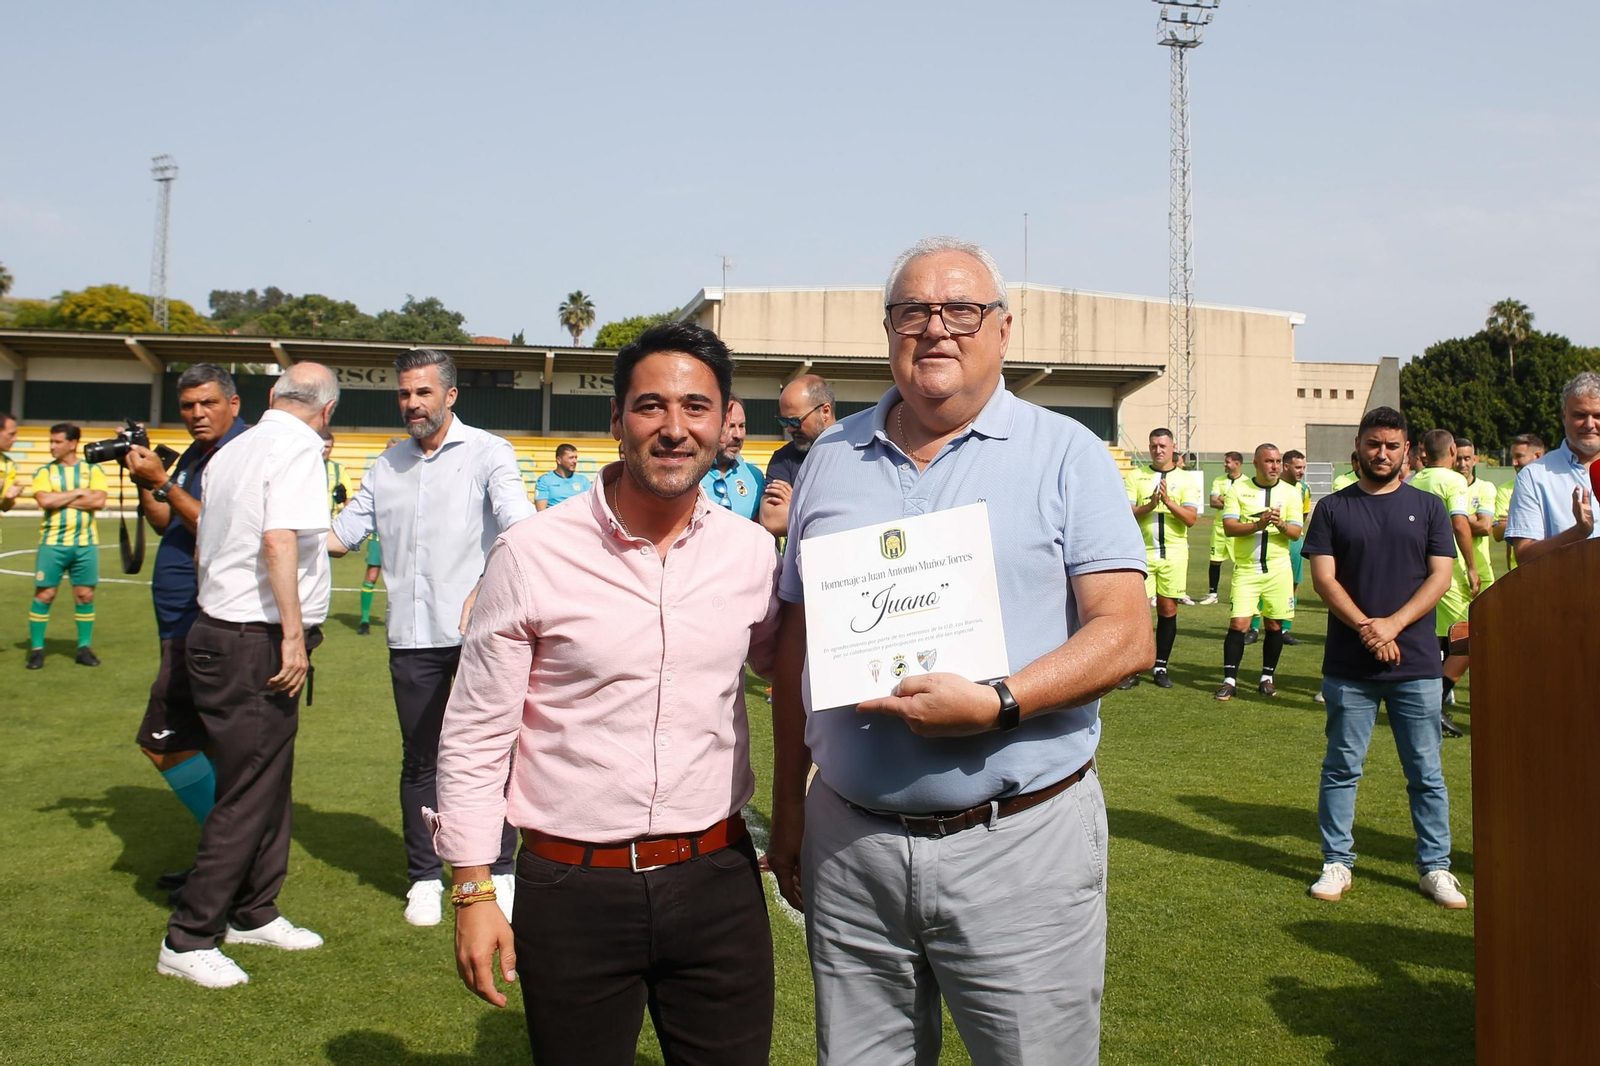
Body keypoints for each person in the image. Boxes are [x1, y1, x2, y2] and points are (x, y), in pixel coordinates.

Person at [767, 237, 1152, 1064]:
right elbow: (797, 643)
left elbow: (1125, 632)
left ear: (1002, 330)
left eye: (960, 311)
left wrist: (999, 700)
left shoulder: (1067, 454)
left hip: (1017, 842)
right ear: (888, 330)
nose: (936, 329)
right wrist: (791, 809)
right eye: (913, 312)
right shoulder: (829, 460)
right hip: (852, 845)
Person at [432, 322, 781, 1065]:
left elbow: (786, 666)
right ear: (616, 420)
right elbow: (475, 733)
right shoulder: (532, 554)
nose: (674, 429)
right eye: (651, 406)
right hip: (572, 888)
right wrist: (471, 889)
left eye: (697, 408)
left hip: (718, 878)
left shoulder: (751, 552)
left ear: (724, 426)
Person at [329, 349, 534, 928]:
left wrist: (489, 582)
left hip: (481, 634)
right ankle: (424, 877)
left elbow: (518, 524)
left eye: (423, 392)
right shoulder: (384, 465)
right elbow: (341, 538)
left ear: (450, 395)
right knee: (420, 760)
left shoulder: (490, 452)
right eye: (404, 393)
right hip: (411, 638)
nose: (412, 403)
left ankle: (500, 868)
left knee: (492, 753)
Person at [157, 362, 339, 989]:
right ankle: (188, 936)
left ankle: (255, 910)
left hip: (221, 630)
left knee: (265, 780)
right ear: (328, 410)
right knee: (244, 792)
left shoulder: (233, 451)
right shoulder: (297, 450)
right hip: (253, 639)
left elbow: (209, 536)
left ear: (270, 397)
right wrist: (292, 634)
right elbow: (278, 538)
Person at [1302, 405, 1467, 910]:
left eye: (1392, 445)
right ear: (1359, 445)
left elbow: (1440, 576)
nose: (1382, 453)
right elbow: (1324, 579)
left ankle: (1436, 868)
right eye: (1374, 444)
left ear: (1407, 451)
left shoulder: (1430, 507)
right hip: (1350, 667)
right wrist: (1368, 629)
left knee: (1426, 771)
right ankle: (1336, 861)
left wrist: (1391, 626)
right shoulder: (1332, 508)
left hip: (1416, 662)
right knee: (1341, 767)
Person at [120, 364, 245, 833]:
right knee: (207, 741)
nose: (197, 413)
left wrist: (165, 482)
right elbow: (164, 521)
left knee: (163, 742)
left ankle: (229, 855)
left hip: (205, 620)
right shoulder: (197, 451)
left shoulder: (237, 454)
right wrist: (145, 478)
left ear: (233, 404)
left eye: (208, 403)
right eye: (188, 406)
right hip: (178, 620)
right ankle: (220, 861)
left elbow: (221, 529)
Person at [1216, 444, 1304, 700]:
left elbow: (1297, 532)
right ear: (1256, 463)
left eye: (1277, 461)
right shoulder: (1239, 491)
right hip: (1247, 569)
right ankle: (1229, 679)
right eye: (1269, 461)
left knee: (1274, 624)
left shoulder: (1290, 493)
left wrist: (1280, 523)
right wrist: (1258, 524)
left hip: (1279, 569)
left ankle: (1267, 677)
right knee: (1239, 624)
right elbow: (1230, 527)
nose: (1274, 466)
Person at [1406, 429, 1477, 737]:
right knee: (1471, 636)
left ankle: (1424, 701)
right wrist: (1472, 566)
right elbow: (1460, 523)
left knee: (1433, 639)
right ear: (1451, 452)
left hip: (1416, 568)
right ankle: (1433, 702)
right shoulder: (1453, 481)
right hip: (1445, 568)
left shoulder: (1414, 480)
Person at [1119, 427, 1198, 689]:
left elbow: (1191, 519)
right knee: (1138, 612)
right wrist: (1150, 505)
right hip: (1142, 554)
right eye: (1153, 445)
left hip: (1174, 555)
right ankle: (1133, 668)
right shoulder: (1136, 477)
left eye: (1163, 445)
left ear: (1173, 447)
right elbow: (1127, 513)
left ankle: (1161, 666)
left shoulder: (1186, 480)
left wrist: (1168, 502)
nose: (1158, 450)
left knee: (1168, 609)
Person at [26, 423, 108, 669]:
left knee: (85, 596)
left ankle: (84, 648)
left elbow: (100, 500)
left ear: (72, 444)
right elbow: (45, 500)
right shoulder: (44, 472)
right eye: (51, 441)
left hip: (85, 544)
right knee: (45, 594)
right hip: (52, 544)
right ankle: (38, 649)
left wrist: (62, 498)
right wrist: (79, 493)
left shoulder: (92, 470)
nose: (52, 446)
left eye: (57, 442)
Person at [1505, 371, 1600, 566]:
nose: (1590, 424)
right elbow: (1524, 556)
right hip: (1565, 593)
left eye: (1598, 415)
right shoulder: (1534, 476)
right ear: (1564, 416)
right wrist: (1579, 532)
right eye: (1580, 415)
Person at [759, 374, 835, 538]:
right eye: (784, 421)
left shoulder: (855, 450)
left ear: (825, 412)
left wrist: (797, 500)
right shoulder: (783, 458)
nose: (790, 429)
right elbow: (772, 520)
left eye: (795, 421)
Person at [1251, 449, 1312, 646]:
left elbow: (1302, 517)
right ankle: (1253, 627)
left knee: (1292, 585)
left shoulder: (1304, 489)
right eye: (1298, 467)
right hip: (1268, 541)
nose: (1302, 471)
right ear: (1286, 466)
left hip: (1294, 542)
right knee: (1261, 583)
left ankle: (1285, 628)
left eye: (1303, 467)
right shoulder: (1272, 486)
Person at [357, 437, 406, 636]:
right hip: (379, 533)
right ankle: (364, 620)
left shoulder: (411, 474)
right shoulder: (377, 474)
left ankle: (399, 620)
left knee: (405, 577)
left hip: (403, 533)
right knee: (372, 574)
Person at [700, 394, 765, 519]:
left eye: (742, 426)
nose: (738, 435)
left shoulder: (755, 477)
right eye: (730, 426)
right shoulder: (691, 473)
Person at [1492, 433, 1545, 571]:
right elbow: (1497, 533)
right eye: (1513, 457)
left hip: (1551, 566)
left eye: (1519, 456)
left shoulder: (1554, 486)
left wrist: (1515, 518)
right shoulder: (1505, 489)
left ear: (1538, 456)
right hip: (1520, 571)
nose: (1514, 462)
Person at [1201, 450, 1244, 605]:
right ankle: (1213, 594)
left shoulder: (1246, 482)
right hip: (1219, 528)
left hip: (1238, 527)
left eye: (1227, 462)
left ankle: (1238, 594)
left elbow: (1244, 506)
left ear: (1237, 464)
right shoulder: (1218, 480)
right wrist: (1232, 502)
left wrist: (1224, 500)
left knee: (1240, 561)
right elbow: (1213, 502)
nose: (1224, 465)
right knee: (1215, 561)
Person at [533, 443, 591, 510]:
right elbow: (541, 511)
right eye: (571, 458)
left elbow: (590, 506)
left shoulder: (583, 480)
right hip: (554, 519)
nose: (575, 461)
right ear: (559, 460)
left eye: (576, 457)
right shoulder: (545, 480)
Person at [323, 431, 350, 515]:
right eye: (321, 446)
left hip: (331, 521)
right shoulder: (304, 465)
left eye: (327, 447)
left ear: (331, 448)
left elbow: (348, 498)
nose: (323, 450)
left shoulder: (338, 469)